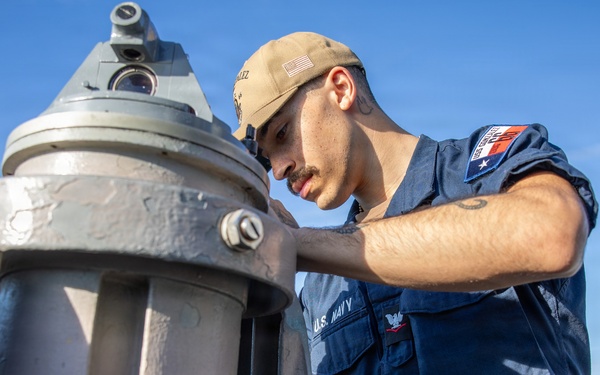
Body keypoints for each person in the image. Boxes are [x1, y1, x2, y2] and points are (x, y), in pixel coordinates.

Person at [231, 32, 597, 374]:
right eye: (266, 158)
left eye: (282, 133)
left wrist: (293, 243)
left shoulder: (484, 168)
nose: (280, 170)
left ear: (341, 89)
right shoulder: (319, 289)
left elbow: (551, 234)